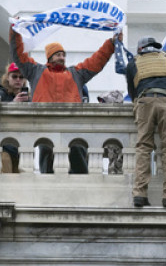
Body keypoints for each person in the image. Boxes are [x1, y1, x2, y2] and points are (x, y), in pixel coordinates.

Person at [9, 25, 116, 174]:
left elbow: (97, 61)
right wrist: (15, 32)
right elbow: (18, 55)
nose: (62, 57)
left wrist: (111, 44)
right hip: (45, 129)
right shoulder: (36, 71)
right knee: (47, 167)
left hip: (73, 128)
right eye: (58, 54)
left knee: (79, 163)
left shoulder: (76, 73)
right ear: (50, 56)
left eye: (63, 55)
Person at [123, 35, 166, 208]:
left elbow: (132, 91)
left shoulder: (133, 62)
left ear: (140, 49)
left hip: (145, 101)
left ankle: (139, 194)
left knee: (143, 147)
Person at [0, 63, 30, 173]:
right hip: (4, 147)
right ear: (7, 78)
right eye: (14, 76)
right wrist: (13, 103)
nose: (18, 80)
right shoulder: (1, 94)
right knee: (7, 180)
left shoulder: (27, 98)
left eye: (21, 77)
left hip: (22, 149)